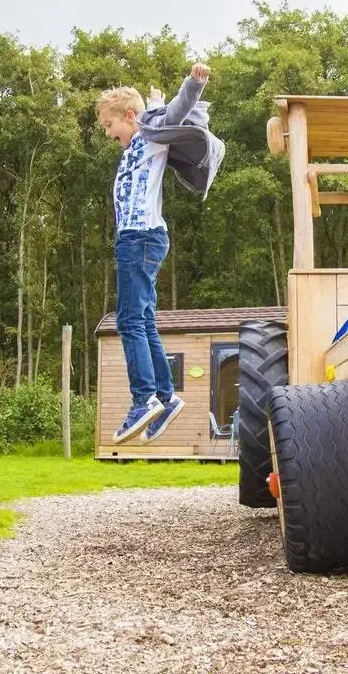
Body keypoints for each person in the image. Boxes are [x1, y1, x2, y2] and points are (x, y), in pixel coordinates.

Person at [96, 62, 216, 444]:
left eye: (109, 125)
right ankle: (165, 396)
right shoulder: (140, 137)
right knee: (143, 320)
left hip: (139, 237)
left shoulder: (150, 134)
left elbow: (175, 113)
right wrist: (153, 103)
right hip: (141, 238)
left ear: (129, 118)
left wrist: (193, 84)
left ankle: (143, 399)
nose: (108, 133)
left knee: (129, 320)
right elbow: (159, 112)